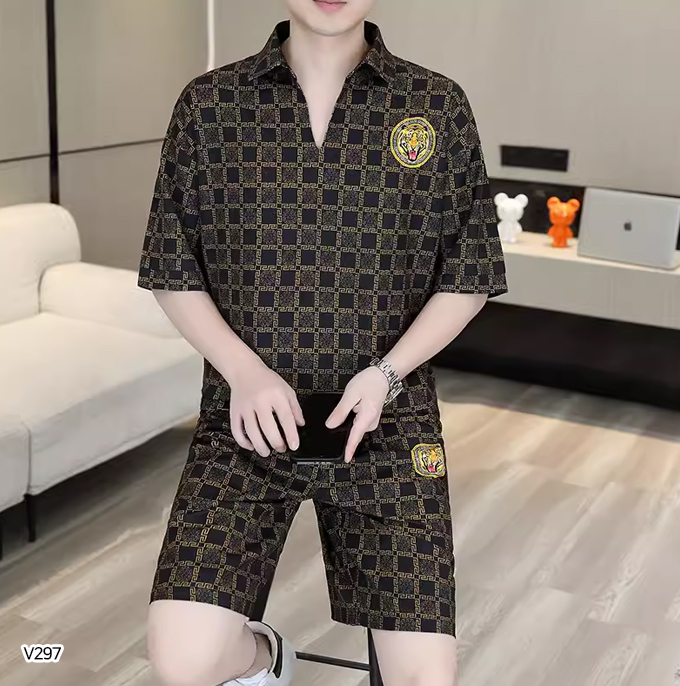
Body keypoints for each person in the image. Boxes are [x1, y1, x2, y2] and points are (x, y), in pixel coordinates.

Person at [138, 0, 507, 684]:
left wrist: (388, 374)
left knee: (426, 679)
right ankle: (267, 656)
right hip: (246, 423)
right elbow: (171, 267)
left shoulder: (437, 104)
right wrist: (244, 373)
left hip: (388, 425)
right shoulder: (209, 105)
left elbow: (470, 275)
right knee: (182, 662)